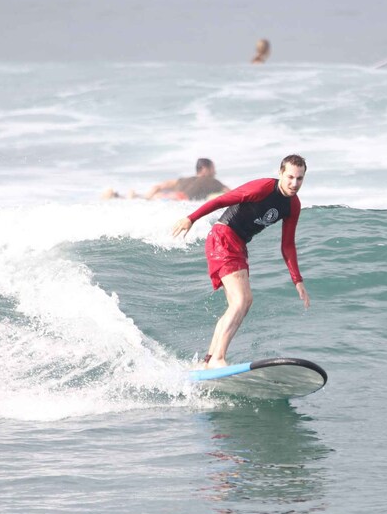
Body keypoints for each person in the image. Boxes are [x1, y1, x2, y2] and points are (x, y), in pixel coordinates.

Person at [172, 154, 310, 369]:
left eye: (299, 179)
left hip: (238, 245)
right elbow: (220, 201)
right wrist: (191, 218)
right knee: (242, 300)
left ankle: (207, 361)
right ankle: (218, 358)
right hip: (223, 238)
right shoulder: (262, 188)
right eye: (290, 177)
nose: (294, 183)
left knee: (239, 305)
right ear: (280, 173)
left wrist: (297, 280)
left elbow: (288, 245)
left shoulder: (293, 205)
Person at [101, 158, 228, 201]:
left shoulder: (183, 180)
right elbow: (234, 193)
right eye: (213, 169)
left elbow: (157, 187)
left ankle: (118, 196)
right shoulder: (213, 182)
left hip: (166, 195)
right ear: (205, 169)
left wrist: (146, 197)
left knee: (145, 200)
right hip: (178, 199)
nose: (215, 172)